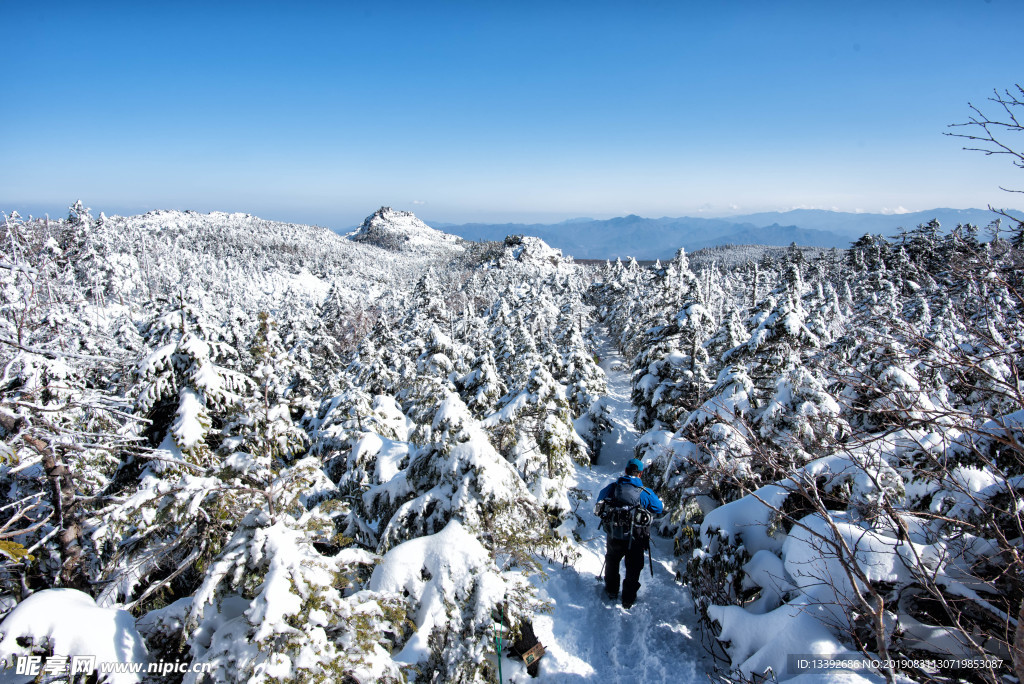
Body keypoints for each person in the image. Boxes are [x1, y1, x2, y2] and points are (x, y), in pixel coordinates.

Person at [596, 458, 663, 608]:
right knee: (634, 567)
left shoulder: (613, 488)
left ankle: (611, 590)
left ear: (626, 471)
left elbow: (599, 500)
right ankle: (628, 598)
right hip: (637, 536)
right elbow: (658, 508)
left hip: (615, 533)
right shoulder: (645, 493)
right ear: (640, 474)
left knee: (612, 560)